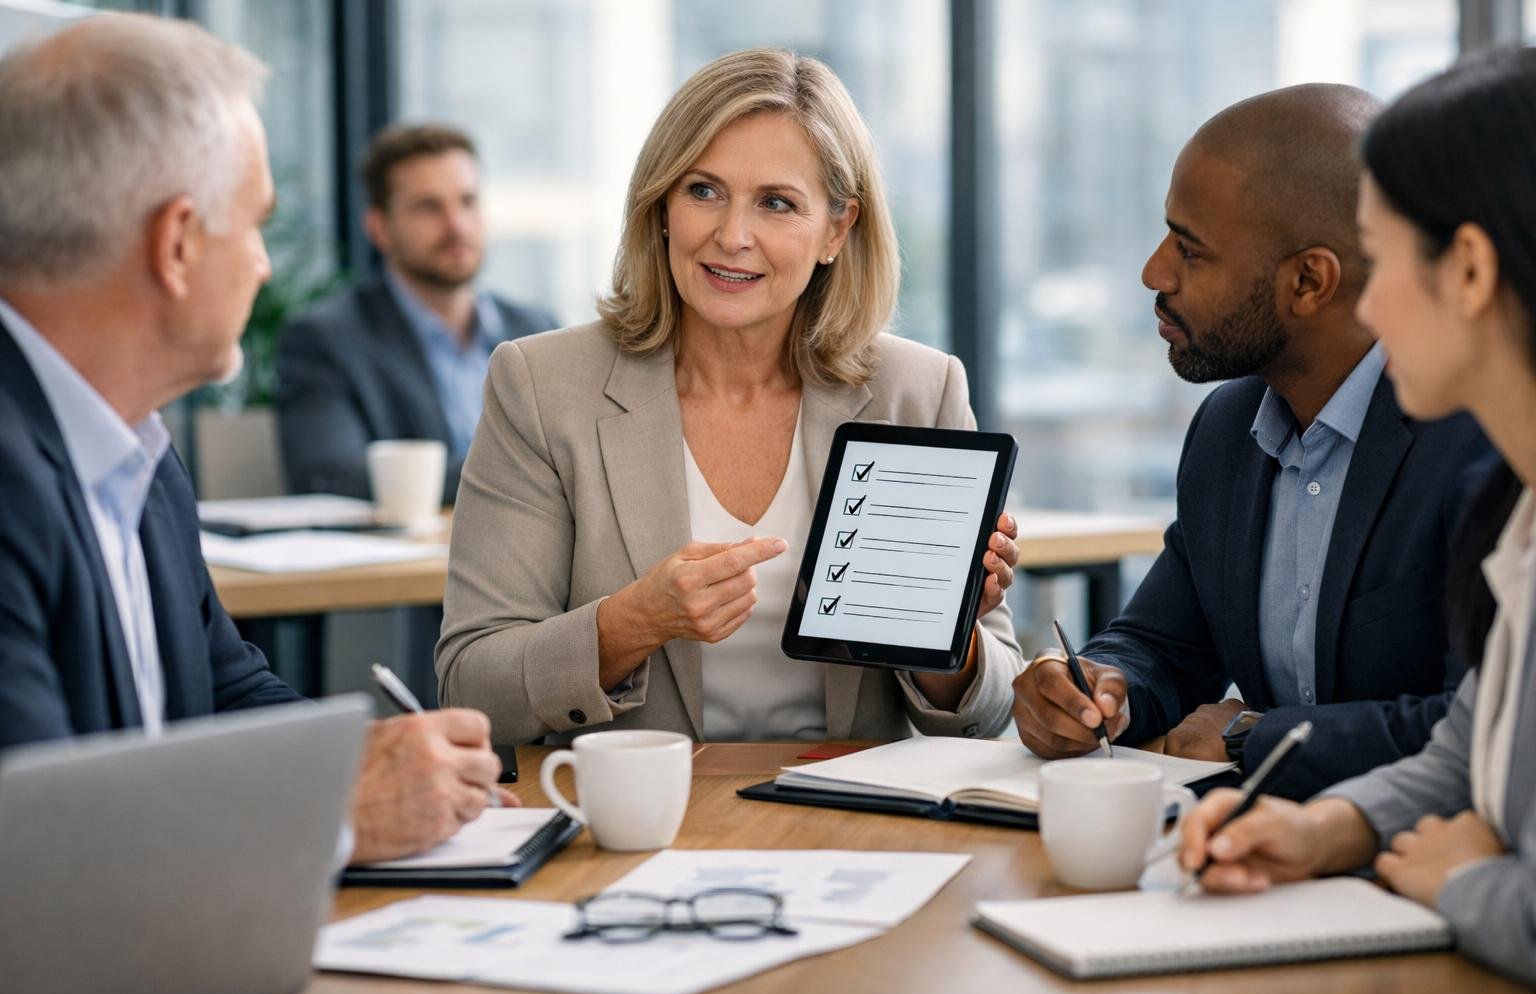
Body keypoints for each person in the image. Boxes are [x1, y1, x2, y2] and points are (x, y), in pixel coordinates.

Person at [0, 14, 508, 864]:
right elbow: (40, 850)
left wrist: (374, 764)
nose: (268, 265)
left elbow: (226, 684)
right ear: (176, 245)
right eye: (256, 224)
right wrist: (336, 818)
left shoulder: (138, 453)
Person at [436, 48, 1025, 744]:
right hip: (635, 823)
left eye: (776, 203)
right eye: (704, 191)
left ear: (836, 230)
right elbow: (471, 687)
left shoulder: (918, 391)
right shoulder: (541, 386)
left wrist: (944, 634)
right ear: (661, 204)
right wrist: (634, 621)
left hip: (857, 823)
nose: (732, 236)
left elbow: (989, 713)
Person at [1010, 84, 1495, 799]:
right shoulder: (1228, 429)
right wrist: (1097, 689)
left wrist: (1250, 737)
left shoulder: (1478, 443)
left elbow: (1481, 728)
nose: (1154, 273)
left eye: (1191, 251)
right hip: (1250, 863)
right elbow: (1164, 644)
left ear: (1308, 282)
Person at [1180, 46, 1536, 989]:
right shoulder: (1523, 508)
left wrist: (1463, 881)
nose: (1366, 307)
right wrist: (1325, 829)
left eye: (1385, 262)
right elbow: (1469, 744)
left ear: (1467, 271)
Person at [276, 122, 557, 504]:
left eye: (468, 201)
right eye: (429, 207)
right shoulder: (325, 340)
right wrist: (519, 471)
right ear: (379, 228)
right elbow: (331, 473)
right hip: (409, 563)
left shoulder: (538, 330)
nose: (456, 225)